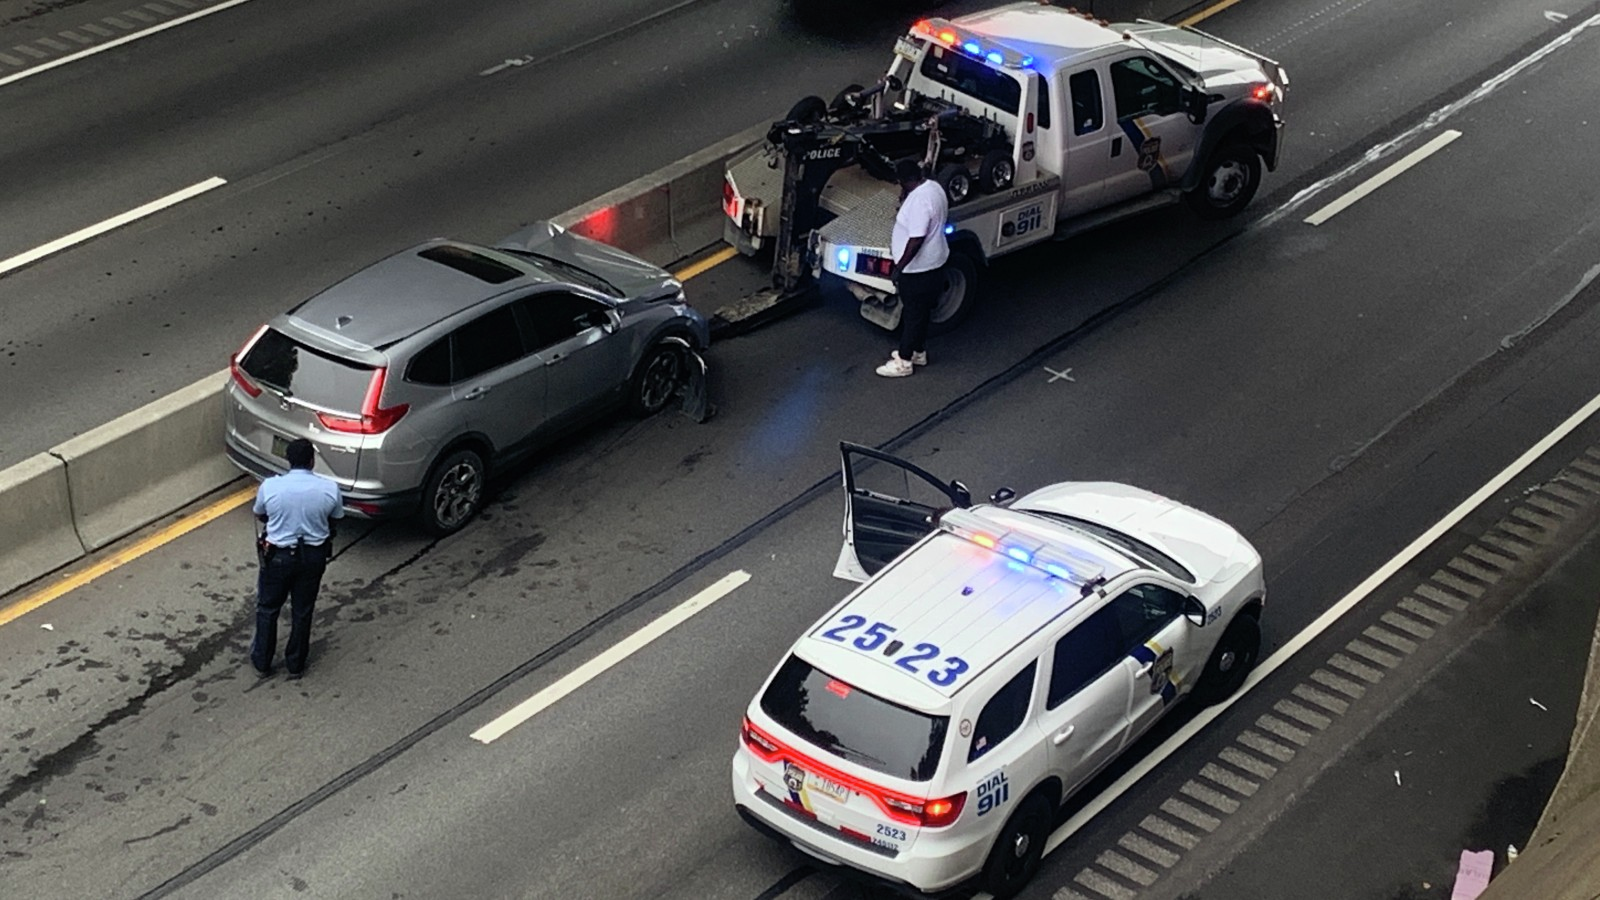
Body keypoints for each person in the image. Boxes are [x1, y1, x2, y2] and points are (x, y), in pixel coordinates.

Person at [250, 438, 343, 679]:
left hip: (278, 556)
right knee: (303, 610)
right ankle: (295, 663)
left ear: (288, 460)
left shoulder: (270, 486)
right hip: (313, 556)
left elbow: (260, 513)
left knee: (268, 608)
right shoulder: (329, 489)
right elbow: (335, 518)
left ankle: (262, 661)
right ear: (312, 461)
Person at [877, 157, 951, 378]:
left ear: (903, 180)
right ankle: (919, 351)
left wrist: (899, 267)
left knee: (913, 315)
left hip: (918, 270)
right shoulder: (934, 188)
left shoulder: (919, 201)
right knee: (922, 313)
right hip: (936, 262)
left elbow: (916, 238)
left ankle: (905, 361)